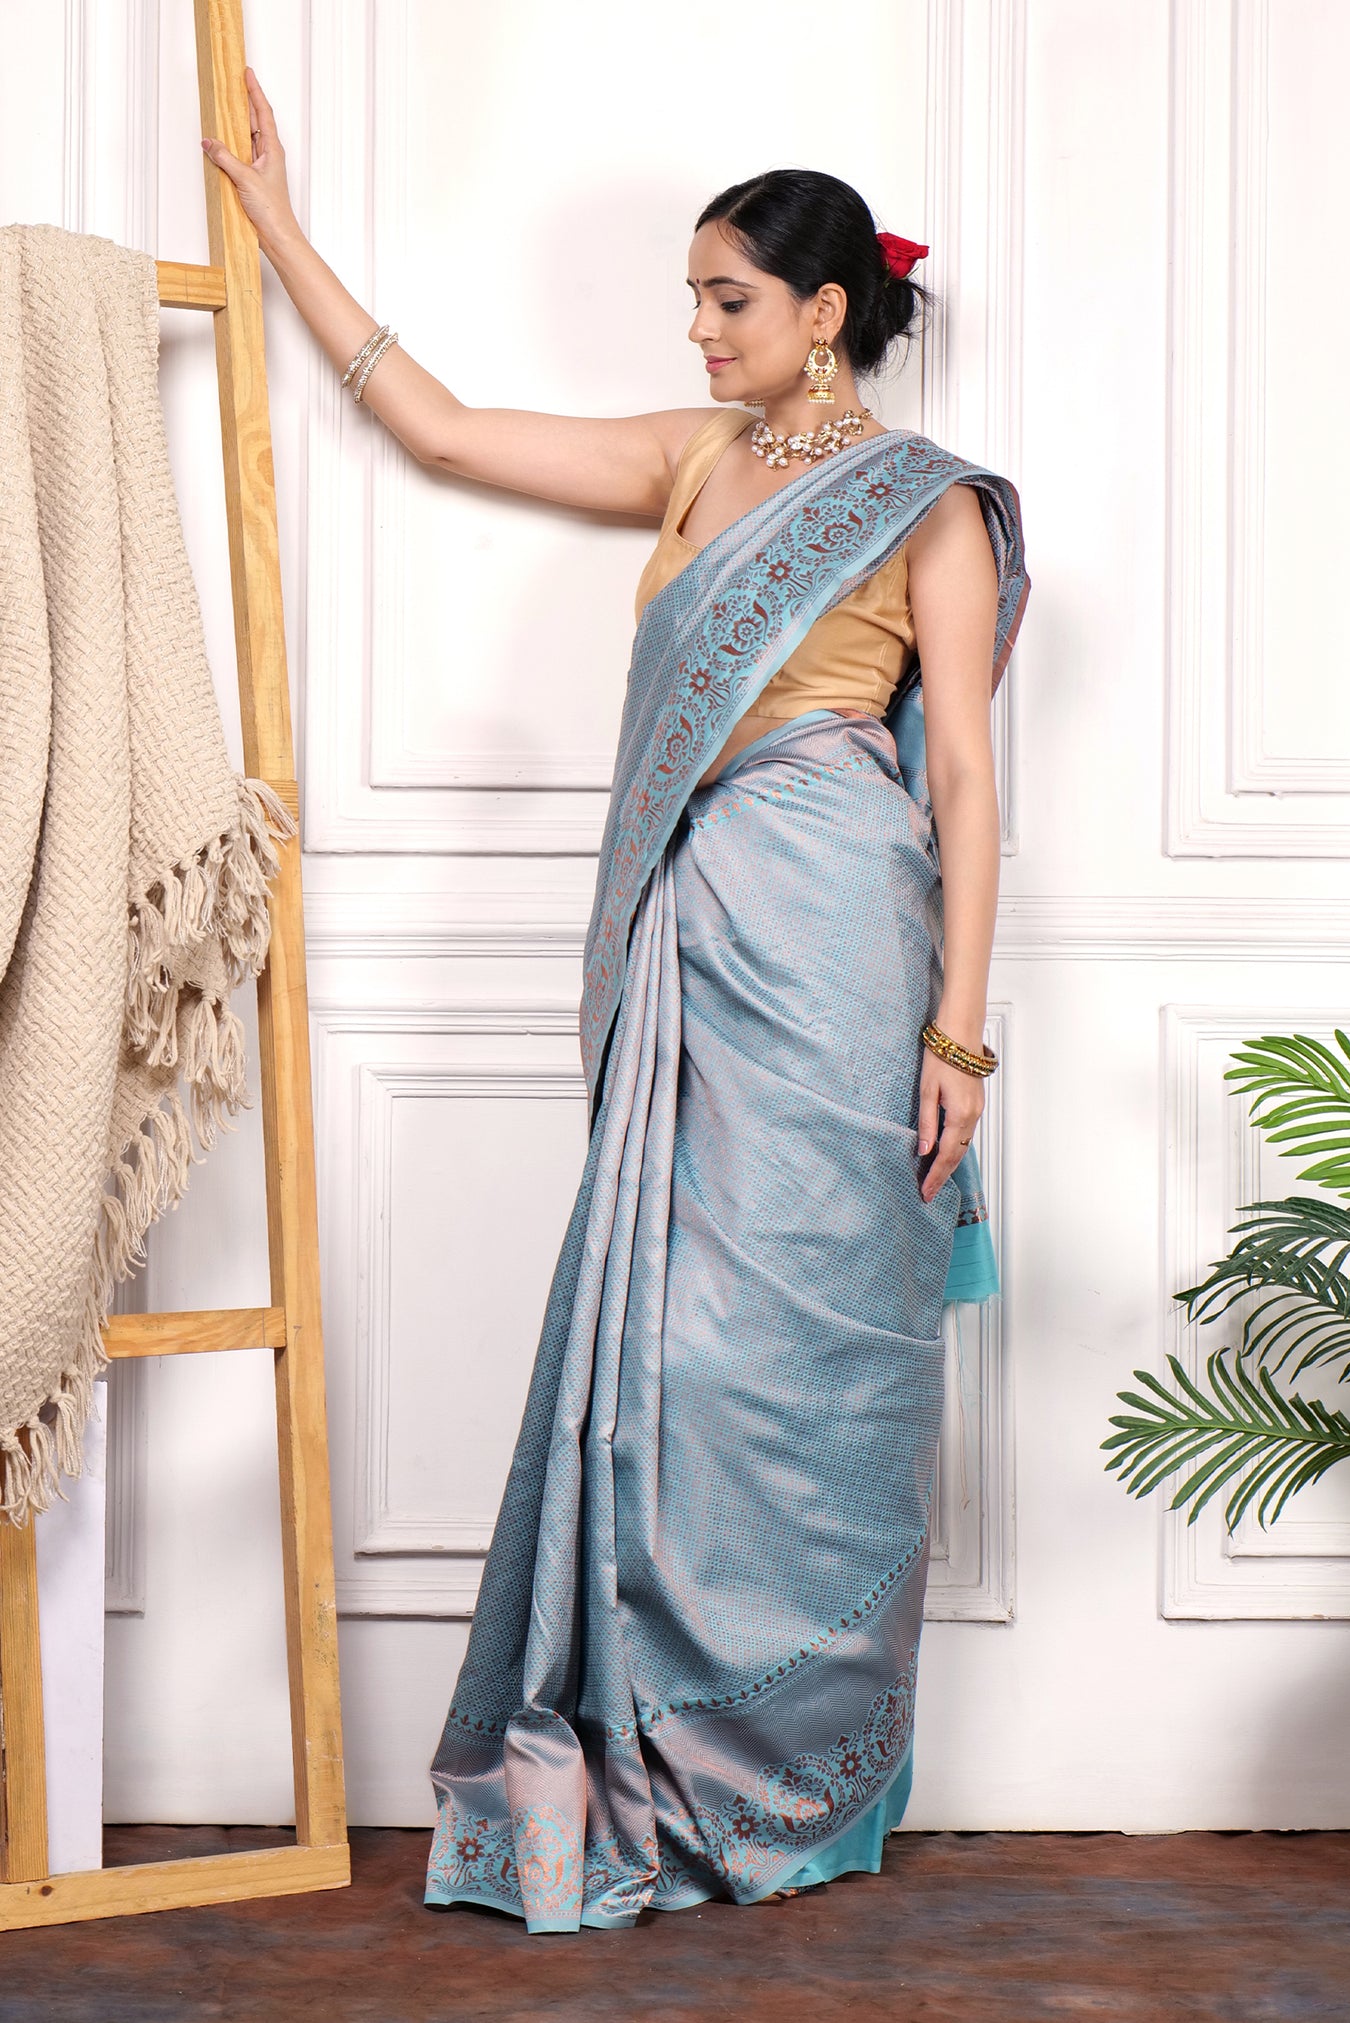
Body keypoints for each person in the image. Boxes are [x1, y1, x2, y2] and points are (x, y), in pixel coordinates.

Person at [203, 69, 1028, 1933]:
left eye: (727, 298)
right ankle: (652, 1729)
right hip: (683, 923)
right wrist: (272, 226)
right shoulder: (687, 453)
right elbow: (441, 426)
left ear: (825, 314)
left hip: (834, 935)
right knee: (665, 1340)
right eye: (692, 296)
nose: (698, 326)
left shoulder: (929, 507)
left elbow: (965, 776)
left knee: (794, 1338)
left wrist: (958, 1033)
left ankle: (791, 1747)